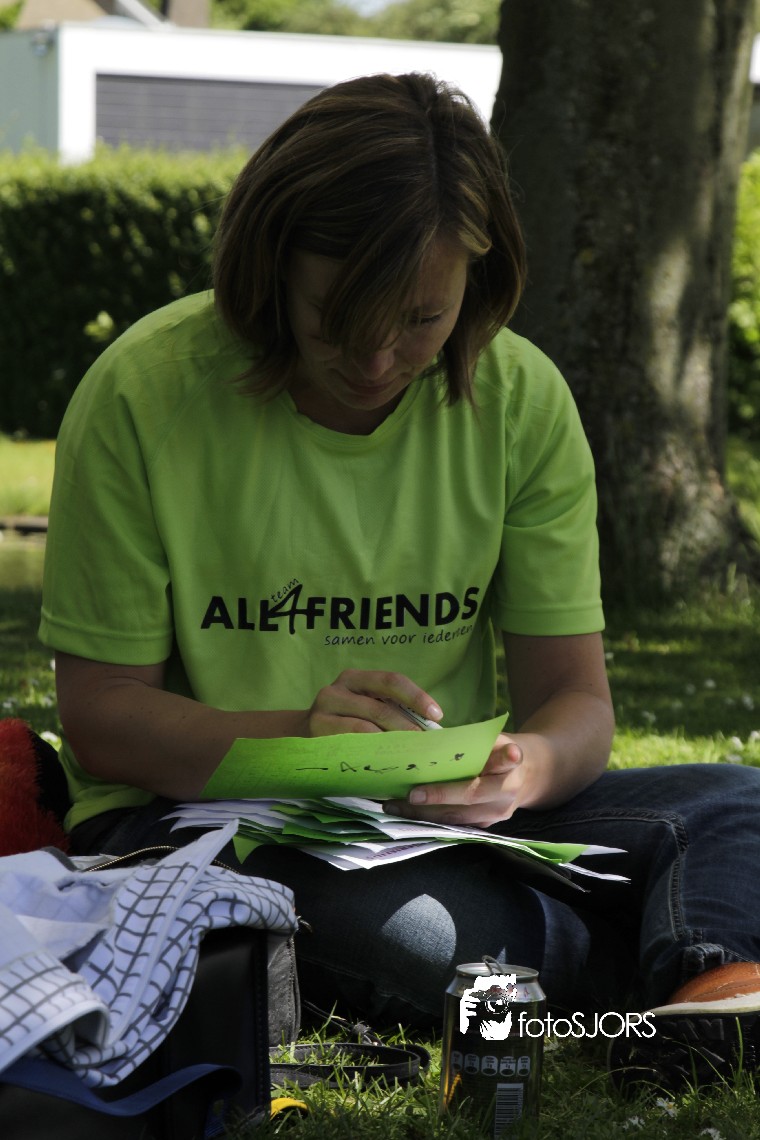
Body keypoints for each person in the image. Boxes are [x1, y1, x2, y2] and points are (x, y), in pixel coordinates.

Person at [39, 71, 760, 1096]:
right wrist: (301, 741)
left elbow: (576, 703)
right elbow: (103, 721)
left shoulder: (520, 399)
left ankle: (709, 984)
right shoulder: (144, 392)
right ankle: (659, 957)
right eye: (337, 318)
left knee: (733, 802)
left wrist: (524, 770)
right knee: (431, 934)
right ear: (271, 265)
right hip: (205, 820)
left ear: (480, 282)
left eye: (421, 319)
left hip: (434, 819)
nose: (377, 359)